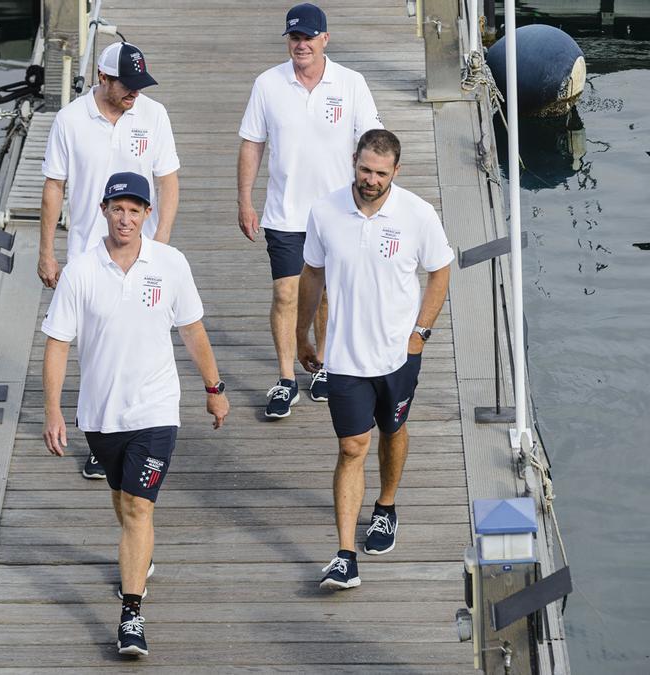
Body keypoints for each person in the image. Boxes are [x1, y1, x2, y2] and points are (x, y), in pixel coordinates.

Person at [41, 172, 230, 656]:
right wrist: (53, 411)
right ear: (104, 210)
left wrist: (214, 388)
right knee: (126, 504)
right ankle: (137, 554)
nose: (126, 218)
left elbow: (192, 330)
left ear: (148, 214)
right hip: (101, 416)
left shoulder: (169, 264)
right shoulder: (81, 271)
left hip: (156, 408)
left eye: (135, 210)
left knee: (140, 506)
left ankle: (130, 613)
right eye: (117, 209)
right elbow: (58, 344)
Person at [295, 130, 453, 590]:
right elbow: (312, 273)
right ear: (353, 162)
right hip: (344, 359)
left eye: (381, 173)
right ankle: (345, 555)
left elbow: (440, 269)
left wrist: (420, 333)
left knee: (393, 431)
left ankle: (385, 506)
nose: (370, 179)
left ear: (395, 173)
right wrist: (303, 335)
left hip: (398, 356)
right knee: (351, 447)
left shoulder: (418, 214)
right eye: (365, 169)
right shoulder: (325, 212)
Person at [38, 40, 181, 479]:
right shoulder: (70, 120)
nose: (135, 92)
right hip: (87, 251)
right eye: (127, 84)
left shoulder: (153, 115)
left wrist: (160, 246)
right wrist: (46, 250)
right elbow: (54, 187)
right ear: (102, 78)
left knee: (140, 337)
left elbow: (168, 183)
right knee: (93, 347)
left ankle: (137, 424)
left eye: (141, 84)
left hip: (143, 252)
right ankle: (101, 437)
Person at [237, 2, 383, 418]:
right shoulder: (267, 84)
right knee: (286, 292)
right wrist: (244, 200)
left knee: (327, 296)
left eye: (308, 38)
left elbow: (372, 139)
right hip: (284, 213)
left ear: (325, 39)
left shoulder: (351, 83)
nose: (301, 45)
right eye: (294, 38)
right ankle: (286, 380)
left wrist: (376, 195)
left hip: (338, 212)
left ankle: (325, 367)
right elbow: (252, 143)